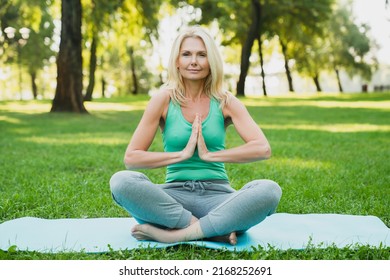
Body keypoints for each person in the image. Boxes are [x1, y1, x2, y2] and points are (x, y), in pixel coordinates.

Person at [109, 26, 282, 245]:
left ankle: (175, 235)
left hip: (218, 197)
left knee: (269, 190)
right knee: (121, 181)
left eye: (202, 55)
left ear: (211, 61)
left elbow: (262, 149)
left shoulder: (225, 101)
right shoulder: (163, 99)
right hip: (172, 200)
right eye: (187, 54)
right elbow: (131, 158)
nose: (194, 61)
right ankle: (210, 229)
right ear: (177, 61)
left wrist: (210, 155)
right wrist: (181, 155)